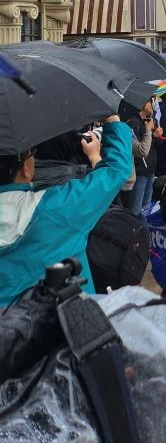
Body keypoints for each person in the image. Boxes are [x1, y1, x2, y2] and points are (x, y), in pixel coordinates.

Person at [0, 115, 131, 306]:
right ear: (26, 168)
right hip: (70, 326)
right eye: (31, 154)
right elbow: (116, 170)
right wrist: (111, 119)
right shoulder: (57, 207)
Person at [127, 100, 162, 215]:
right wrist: (150, 133)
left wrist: (156, 136)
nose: (153, 105)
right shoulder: (133, 122)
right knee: (136, 209)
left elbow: (155, 146)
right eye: (149, 102)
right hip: (140, 171)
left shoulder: (151, 121)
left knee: (147, 208)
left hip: (151, 169)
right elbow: (140, 148)